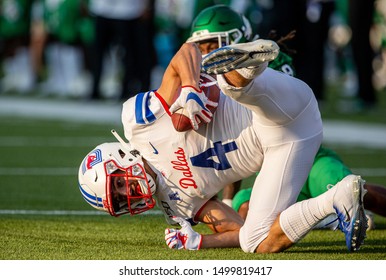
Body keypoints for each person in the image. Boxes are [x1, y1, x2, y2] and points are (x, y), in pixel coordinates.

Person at [78, 5, 368, 253]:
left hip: (272, 103)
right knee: (255, 241)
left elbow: (187, 51)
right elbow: (238, 228)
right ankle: (336, 199)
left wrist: (191, 89)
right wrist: (200, 241)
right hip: (291, 140)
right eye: (119, 200)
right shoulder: (176, 206)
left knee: (226, 89)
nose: (126, 192)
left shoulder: (139, 122)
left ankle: (243, 64)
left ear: (118, 158)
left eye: (117, 183)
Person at [231, 145, 386, 230]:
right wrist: (226, 200)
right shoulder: (234, 114)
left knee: (350, 190)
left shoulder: (277, 97)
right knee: (243, 203)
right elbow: (231, 157)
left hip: (311, 163)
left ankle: (340, 211)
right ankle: (330, 218)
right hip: (277, 181)